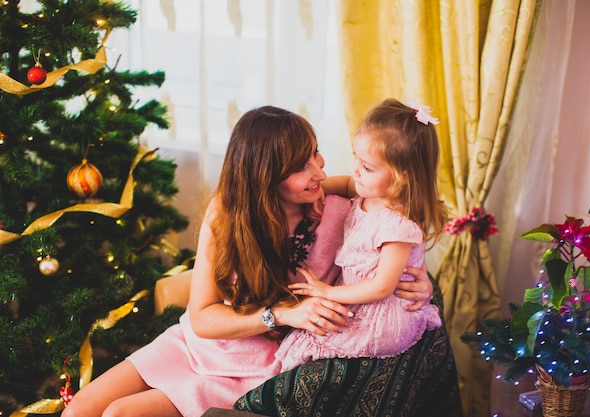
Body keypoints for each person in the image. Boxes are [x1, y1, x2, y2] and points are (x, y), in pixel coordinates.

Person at [61, 105, 433, 417]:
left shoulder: (339, 209)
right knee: (79, 411)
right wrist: (282, 312)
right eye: (301, 166)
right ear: (264, 176)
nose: (319, 171)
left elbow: (393, 202)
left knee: (120, 414)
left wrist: (421, 279)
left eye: (316, 154)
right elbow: (204, 318)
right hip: (202, 342)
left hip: (258, 363)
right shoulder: (227, 215)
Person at [274, 98, 447, 372]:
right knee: (307, 333)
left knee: (308, 338)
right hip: (363, 300)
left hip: (382, 315)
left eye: (366, 167)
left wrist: (329, 292)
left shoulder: (397, 224)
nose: (355, 170)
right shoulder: (368, 194)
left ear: (403, 178)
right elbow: (343, 184)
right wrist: (319, 193)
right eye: (356, 157)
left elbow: (382, 287)